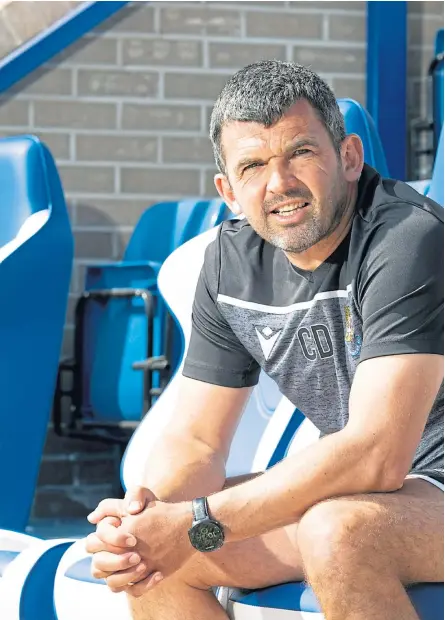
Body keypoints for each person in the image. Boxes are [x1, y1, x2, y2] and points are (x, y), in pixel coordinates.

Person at [85, 60, 444, 620]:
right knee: (149, 558)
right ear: (228, 191)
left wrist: (197, 522)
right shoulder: (229, 263)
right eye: (253, 165)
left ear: (349, 157)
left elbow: (378, 454)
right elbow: (199, 442)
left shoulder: (407, 237)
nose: (280, 184)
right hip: (378, 494)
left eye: (300, 152)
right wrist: (147, 515)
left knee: (339, 530)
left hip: (416, 488)